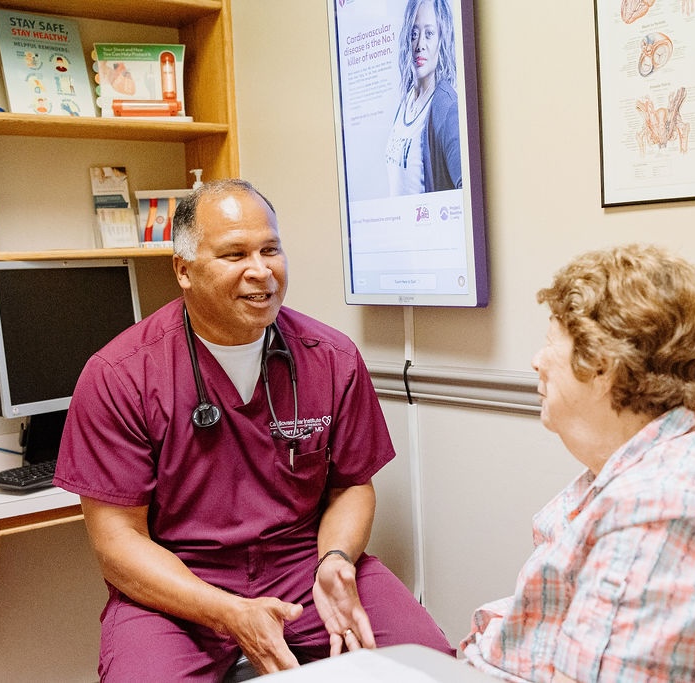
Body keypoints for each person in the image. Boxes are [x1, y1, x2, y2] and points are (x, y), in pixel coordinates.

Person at [53, 178, 453, 681]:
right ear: (183, 269)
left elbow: (351, 484)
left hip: (305, 566)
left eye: (270, 249)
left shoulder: (330, 358)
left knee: (433, 670)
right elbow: (117, 542)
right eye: (234, 254)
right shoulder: (120, 373)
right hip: (180, 585)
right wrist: (226, 611)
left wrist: (335, 558)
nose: (261, 272)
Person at [460, 244, 695, 682]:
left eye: (551, 343)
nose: (537, 361)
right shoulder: (688, 450)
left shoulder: (659, 512)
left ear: (603, 367)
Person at [385, 0, 463, 196]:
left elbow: (466, 190)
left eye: (429, 34)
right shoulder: (406, 100)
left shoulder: (446, 107)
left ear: (442, 39)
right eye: (414, 34)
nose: (419, 45)